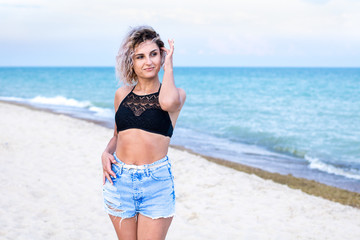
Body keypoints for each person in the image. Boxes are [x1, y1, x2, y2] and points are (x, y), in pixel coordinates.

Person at [101, 26, 186, 240]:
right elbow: (117, 136)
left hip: (156, 183)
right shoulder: (122, 94)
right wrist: (105, 153)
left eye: (153, 54)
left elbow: (166, 102)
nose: (148, 62)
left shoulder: (177, 95)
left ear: (162, 56)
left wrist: (169, 68)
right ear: (132, 61)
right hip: (119, 180)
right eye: (140, 56)